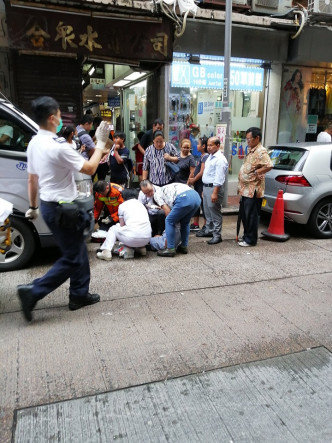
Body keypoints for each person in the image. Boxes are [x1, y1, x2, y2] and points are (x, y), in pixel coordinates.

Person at [16, 96, 110, 322]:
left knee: (77, 250)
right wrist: (100, 143)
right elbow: (89, 168)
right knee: (73, 258)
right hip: (63, 209)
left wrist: (33, 207)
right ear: (51, 118)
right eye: (59, 115)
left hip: (49, 206)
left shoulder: (34, 143)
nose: (61, 119)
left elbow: (32, 179)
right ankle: (33, 291)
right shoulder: (58, 147)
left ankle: (79, 294)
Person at [140, 180, 200, 257]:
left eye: (150, 191)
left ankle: (170, 248)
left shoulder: (157, 193)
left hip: (184, 198)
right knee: (185, 222)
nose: (149, 194)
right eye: (146, 193)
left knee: (169, 220)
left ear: (153, 186)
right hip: (196, 197)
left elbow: (167, 212)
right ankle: (184, 246)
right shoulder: (165, 189)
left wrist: (166, 237)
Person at [237, 127, 273, 247]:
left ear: (257, 138)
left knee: (251, 215)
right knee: (245, 215)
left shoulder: (261, 151)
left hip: (253, 189)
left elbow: (269, 165)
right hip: (245, 189)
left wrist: (257, 172)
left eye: (249, 139)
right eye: (246, 139)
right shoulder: (251, 149)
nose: (247, 141)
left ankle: (250, 240)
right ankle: (246, 235)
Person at [96, 188, 151, 261]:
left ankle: (106, 251)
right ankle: (141, 249)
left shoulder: (122, 206)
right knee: (136, 227)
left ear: (123, 196)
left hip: (132, 239)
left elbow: (122, 225)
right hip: (146, 239)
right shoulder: (142, 205)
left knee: (113, 228)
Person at [195, 136, 228, 245]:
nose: (208, 147)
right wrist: (205, 189)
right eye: (208, 145)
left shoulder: (220, 159)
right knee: (207, 211)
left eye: (211, 145)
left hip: (214, 188)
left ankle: (217, 235)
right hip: (207, 187)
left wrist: (214, 193)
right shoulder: (210, 156)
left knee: (214, 212)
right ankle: (209, 230)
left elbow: (219, 178)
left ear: (217, 146)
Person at [187, 135, 209, 231]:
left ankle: (205, 225)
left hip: (201, 185)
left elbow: (202, 172)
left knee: (203, 204)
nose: (197, 145)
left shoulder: (206, 157)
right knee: (197, 203)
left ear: (203, 146)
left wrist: (194, 179)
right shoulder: (201, 156)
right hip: (197, 185)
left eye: (199, 144)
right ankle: (195, 223)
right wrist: (191, 177)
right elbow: (196, 169)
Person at [282, 69, 304, 142]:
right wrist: (287, 100)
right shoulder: (289, 84)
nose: (298, 77)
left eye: (299, 76)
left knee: (294, 124)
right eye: (297, 75)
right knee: (294, 124)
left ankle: (292, 140)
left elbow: (301, 97)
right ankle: (292, 140)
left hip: (297, 107)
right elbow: (283, 92)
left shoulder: (300, 86)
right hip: (291, 106)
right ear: (294, 76)